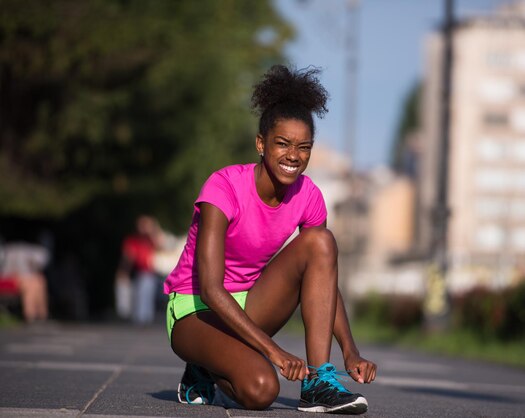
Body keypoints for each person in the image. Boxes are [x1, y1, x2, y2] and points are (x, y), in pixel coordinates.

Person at [164, 65, 377, 414]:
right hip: (195, 310)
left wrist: (349, 350)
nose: (293, 155)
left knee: (321, 242)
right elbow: (211, 290)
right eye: (283, 143)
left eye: (303, 147)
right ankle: (203, 366)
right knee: (262, 390)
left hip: (250, 303)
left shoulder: (308, 196)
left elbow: (323, 278)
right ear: (261, 143)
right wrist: (272, 351)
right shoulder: (223, 187)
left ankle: (318, 382)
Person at [116, 215, 164, 325]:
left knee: (145, 294)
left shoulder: (151, 239)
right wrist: (124, 272)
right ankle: (138, 318)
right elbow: (127, 258)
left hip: (148, 273)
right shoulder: (132, 240)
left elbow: (161, 245)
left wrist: (154, 228)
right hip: (136, 272)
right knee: (135, 296)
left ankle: (144, 318)